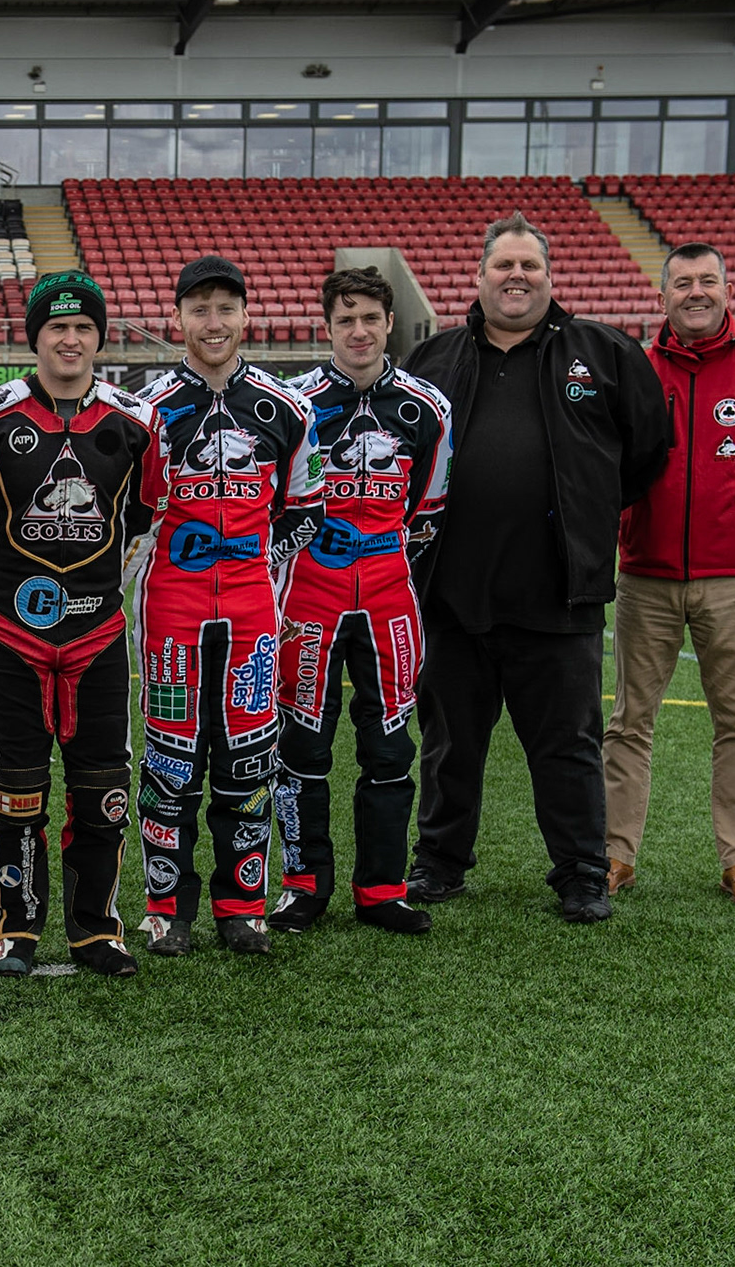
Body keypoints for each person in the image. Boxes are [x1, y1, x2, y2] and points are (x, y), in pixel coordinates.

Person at [403, 213, 669, 923]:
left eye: (529, 266)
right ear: (478, 276)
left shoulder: (604, 352)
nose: (516, 277)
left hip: (558, 596)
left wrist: (584, 512)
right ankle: (440, 862)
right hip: (453, 594)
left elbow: (647, 451)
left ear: (551, 277)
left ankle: (582, 871)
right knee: (450, 741)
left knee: (567, 745)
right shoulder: (435, 360)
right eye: (502, 266)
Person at [0, 271, 165, 977]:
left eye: (83, 328)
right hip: (12, 635)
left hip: (100, 636)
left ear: (99, 337)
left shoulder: (136, 423)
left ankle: (95, 928)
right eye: (56, 328)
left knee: (102, 787)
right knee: (15, 786)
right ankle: (14, 930)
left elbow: (144, 521)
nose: (70, 339)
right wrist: (5, 597)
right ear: (36, 338)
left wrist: (105, 593)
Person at [602, 242, 735, 907]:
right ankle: (612, 856)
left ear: (727, 289)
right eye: (683, 282)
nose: (696, 292)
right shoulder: (634, 369)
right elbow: (611, 464)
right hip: (646, 575)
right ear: (661, 296)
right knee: (630, 719)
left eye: (708, 280)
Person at [132, 255, 324, 956]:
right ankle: (167, 906)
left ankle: (241, 906)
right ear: (177, 319)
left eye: (225, 309)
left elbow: (306, 510)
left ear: (247, 317)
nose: (213, 322)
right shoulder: (147, 410)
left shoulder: (286, 409)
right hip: (170, 612)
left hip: (250, 614)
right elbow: (132, 513)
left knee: (249, 758)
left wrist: (258, 568)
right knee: (172, 761)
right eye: (199, 309)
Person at [270, 267, 452, 936]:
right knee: (302, 747)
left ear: (389, 325)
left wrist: (384, 567)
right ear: (328, 328)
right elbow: (278, 507)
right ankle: (303, 889)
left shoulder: (428, 407)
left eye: (370, 318)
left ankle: (382, 889)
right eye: (345, 319)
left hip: (387, 600)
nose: (358, 331)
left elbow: (430, 511)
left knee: (389, 748)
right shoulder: (293, 404)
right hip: (308, 598)